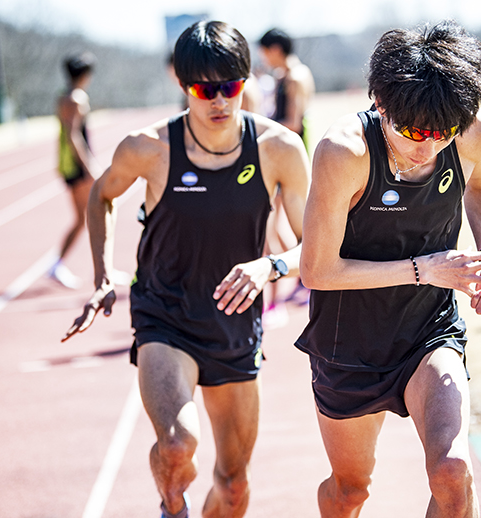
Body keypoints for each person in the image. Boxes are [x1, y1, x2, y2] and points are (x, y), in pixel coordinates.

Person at [62, 21, 309, 518]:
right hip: (164, 314)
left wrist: (271, 265)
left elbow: (316, 243)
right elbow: (101, 199)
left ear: (246, 81)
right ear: (182, 85)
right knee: (177, 445)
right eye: (205, 89)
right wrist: (102, 274)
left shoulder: (279, 149)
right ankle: (172, 507)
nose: (219, 100)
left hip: (234, 321)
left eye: (231, 86)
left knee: (234, 486)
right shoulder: (149, 148)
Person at [296, 21, 481, 517]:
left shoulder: (473, 132)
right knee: (350, 490)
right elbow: (317, 271)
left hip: (428, 328)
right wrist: (424, 269)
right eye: (413, 132)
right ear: (382, 103)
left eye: (443, 133)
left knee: (452, 472)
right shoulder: (344, 150)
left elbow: (479, 189)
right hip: (348, 341)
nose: (428, 148)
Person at [259, 28, 315, 323]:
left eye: (264, 51)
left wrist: (259, 126)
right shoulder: (285, 76)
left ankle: (306, 278)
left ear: (275, 48)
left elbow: (292, 122)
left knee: (294, 225)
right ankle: (300, 277)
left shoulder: (295, 77)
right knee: (279, 224)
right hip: (284, 154)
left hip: (291, 156)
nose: (263, 58)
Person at [51, 52, 101, 289]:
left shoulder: (63, 96)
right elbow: (74, 135)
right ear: (85, 75)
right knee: (90, 216)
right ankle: (59, 265)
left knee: (86, 218)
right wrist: (88, 165)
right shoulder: (77, 99)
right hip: (77, 167)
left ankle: (59, 265)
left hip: (68, 164)